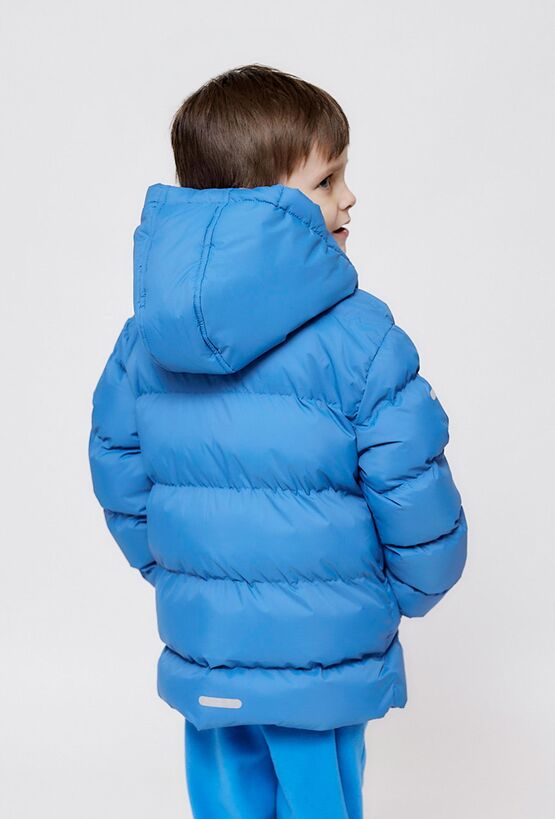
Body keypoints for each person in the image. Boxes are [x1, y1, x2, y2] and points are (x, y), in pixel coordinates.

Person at [88, 64, 468, 818]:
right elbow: (413, 490)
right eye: (327, 181)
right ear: (265, 202)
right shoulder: (361, 337)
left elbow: (116, 467)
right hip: (322, 657)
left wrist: (179, 573)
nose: (349, 197)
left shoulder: (146, 338)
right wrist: (400, 594)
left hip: (208, 645)